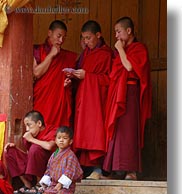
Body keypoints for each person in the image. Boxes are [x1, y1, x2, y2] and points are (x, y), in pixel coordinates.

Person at [103, 17, 152, 180]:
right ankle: (113, 170)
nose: (116, 36)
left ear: (129, 31)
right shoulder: (120, 51)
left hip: (130, 93)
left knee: (129, 131)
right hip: (118, 92)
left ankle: (131, 171)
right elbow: (114, 73)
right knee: (117, 130)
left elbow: (130, 66)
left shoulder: (139, 49)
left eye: (118, 31)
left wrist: (120, 50)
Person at [70, 20, 113, 179]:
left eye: (88, 38)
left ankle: (98, 168)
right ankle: (86, 169)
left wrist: (88, 76)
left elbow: (110, 79)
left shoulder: (106, 54)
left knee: (95, 132)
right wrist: (73, 78)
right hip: (84, 97)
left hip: (97, 100)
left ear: (98, 35)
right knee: (83, 131)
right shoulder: (85, 54)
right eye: (83, 38)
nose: (85, 42)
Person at [33, 20, 77, 128]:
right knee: (40, 127)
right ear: (49, 33)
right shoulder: (37, 50)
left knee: (57, 131)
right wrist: (51, 55)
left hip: (57, 102)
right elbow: (36, 73)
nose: (61, 40)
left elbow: (73, 80)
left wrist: (69, 83)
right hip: (42, 99)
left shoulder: (67, 56)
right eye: (59, 36)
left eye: (64, 37)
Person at [4, 111, 57, 194]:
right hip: (34, 166)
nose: (27, 129)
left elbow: (49, 146)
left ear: (39, 123)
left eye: (29, 125)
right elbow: (30, 155)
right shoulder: (32, 135)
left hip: (50, 168)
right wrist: (15, 148)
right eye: (26, 126)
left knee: (35, 147)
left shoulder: (52, 131)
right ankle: (27, 184)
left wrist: (32, 140)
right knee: (10, 151)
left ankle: (40, 184)